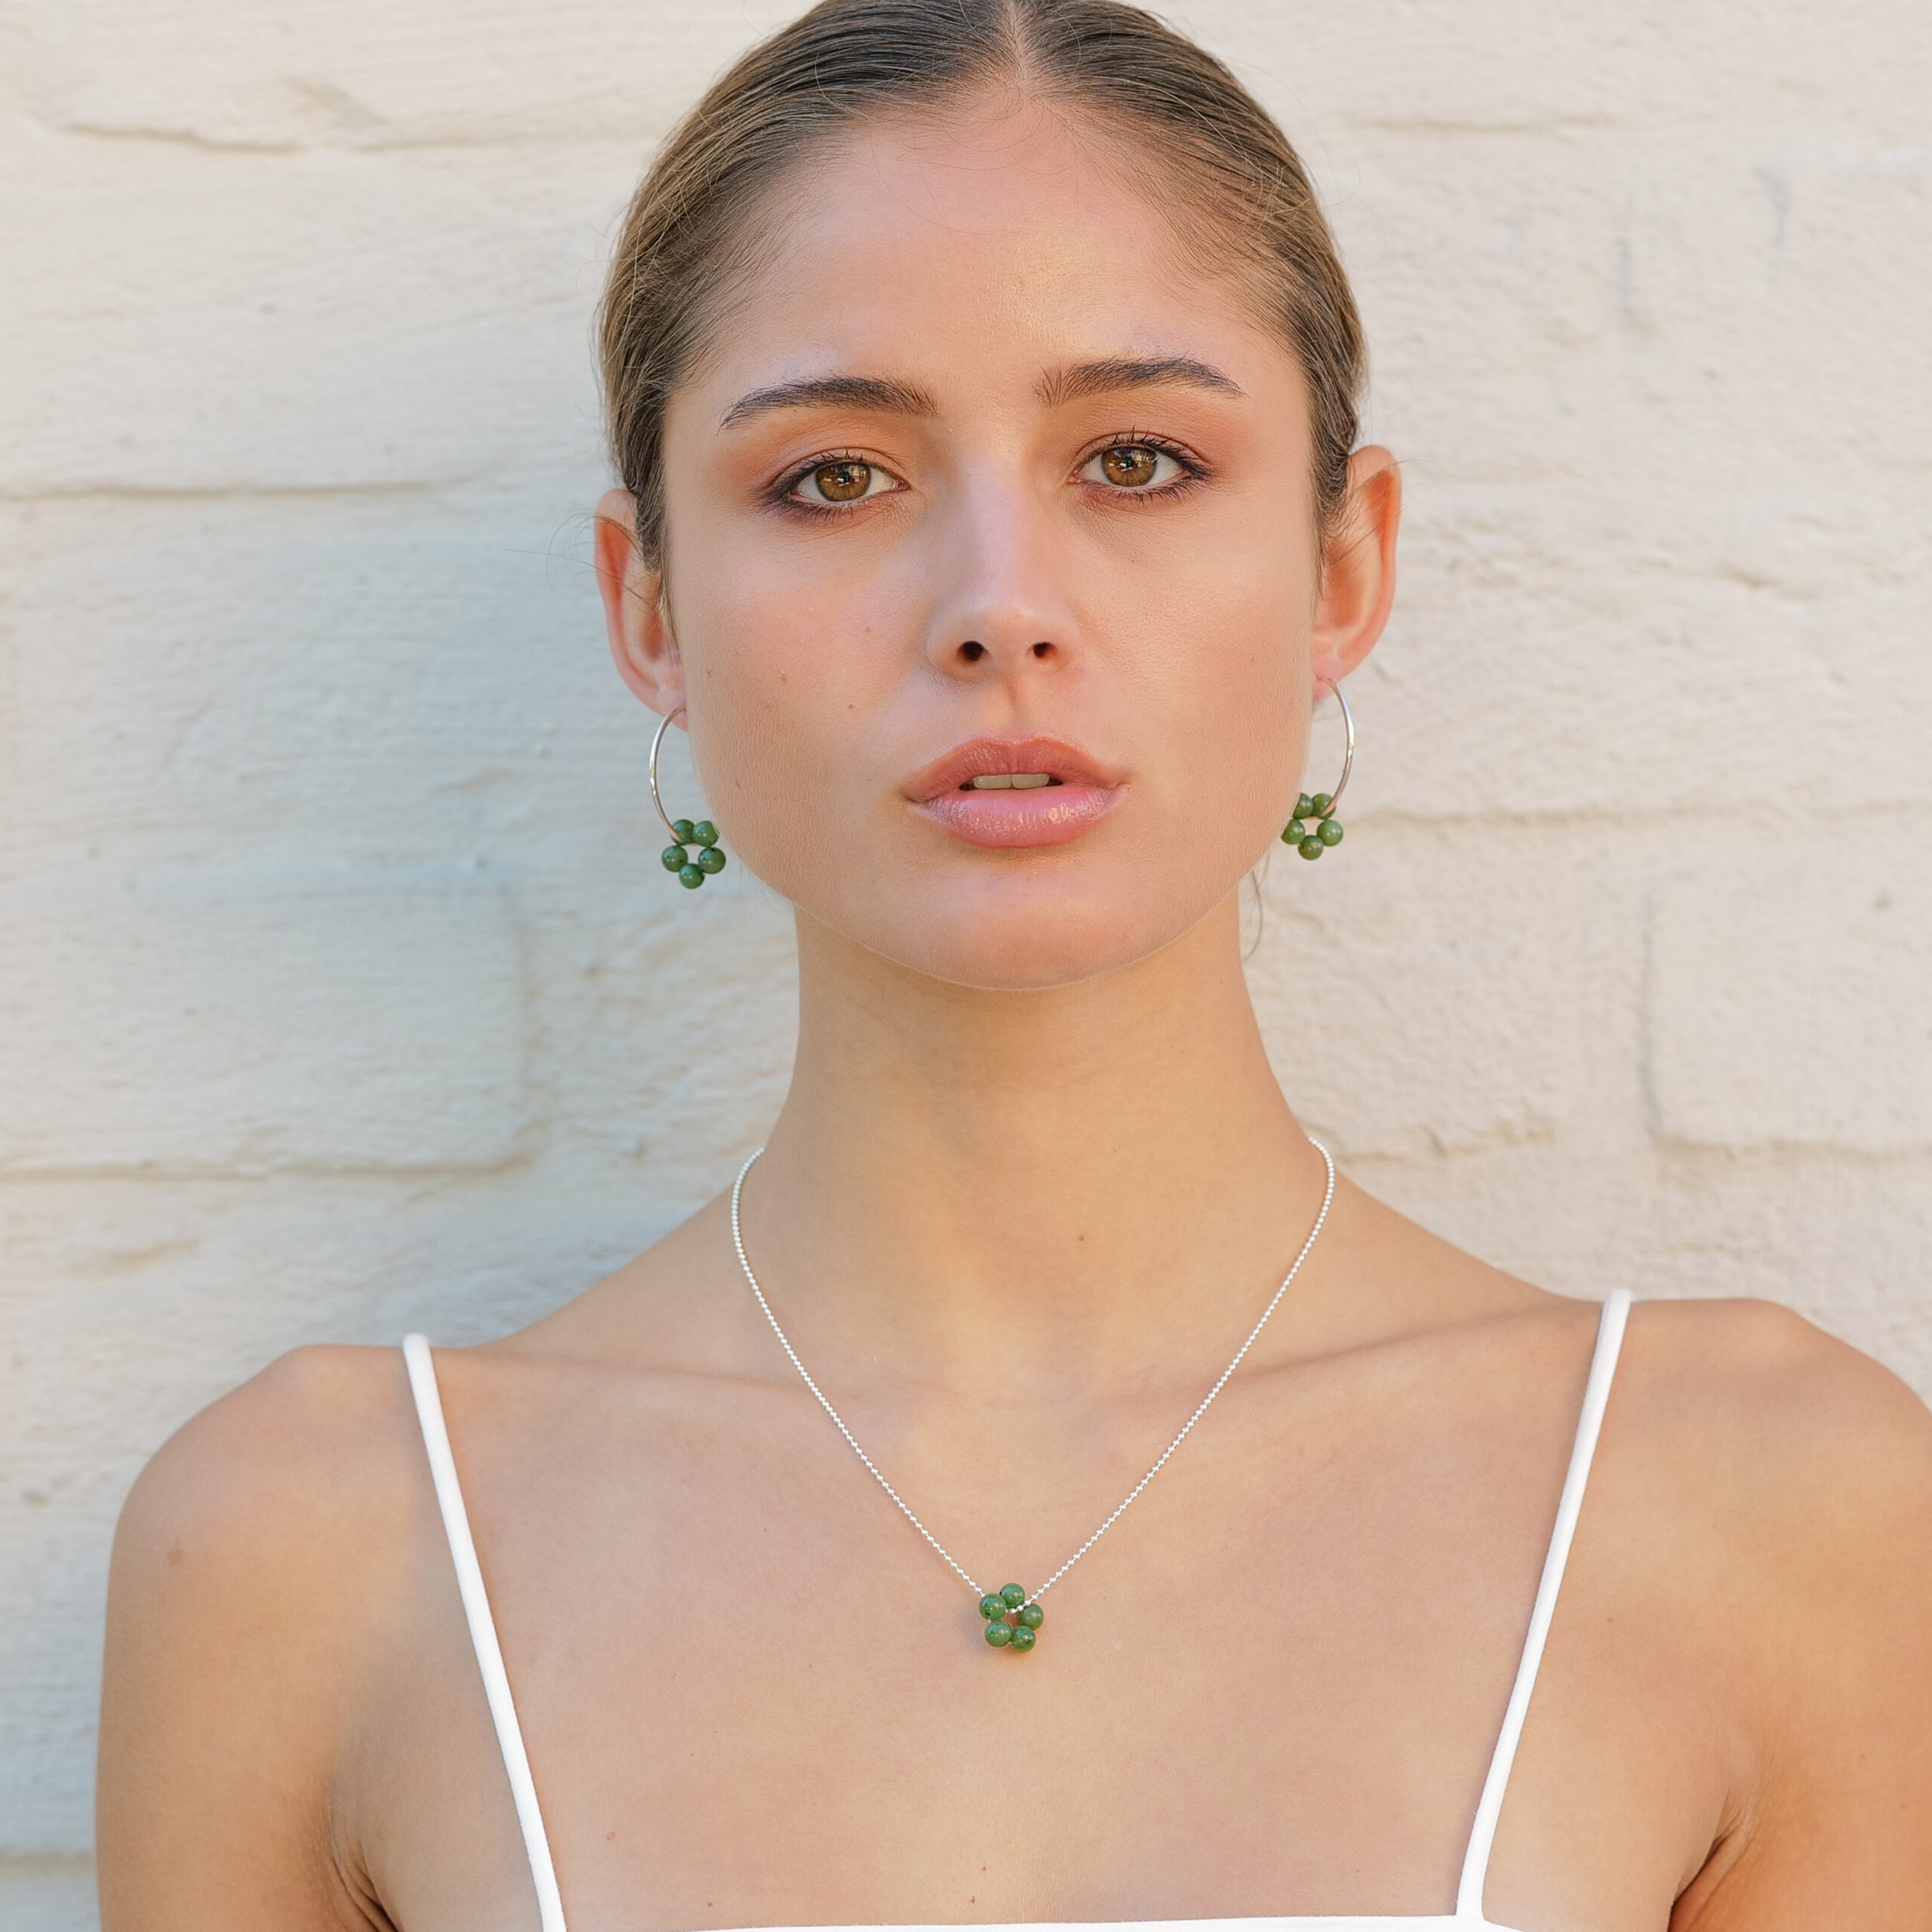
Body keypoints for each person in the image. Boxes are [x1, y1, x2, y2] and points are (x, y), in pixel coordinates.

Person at [96, 2, 1932, 1927]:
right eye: (835, 477)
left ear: (1341, 569)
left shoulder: (1763, 1503)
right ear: (648, 607)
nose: (998, 608)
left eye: (1133, 459)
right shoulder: (316, 1551)